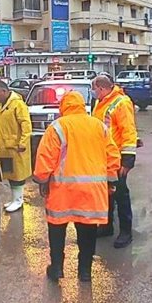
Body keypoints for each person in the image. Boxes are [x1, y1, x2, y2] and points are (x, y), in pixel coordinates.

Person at [33, 90, 119, 283]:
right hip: (92, 192)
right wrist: (111, 181)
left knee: (57, 229)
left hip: (62, 191)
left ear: (63, 106)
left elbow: (46, 157)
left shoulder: (58, 127)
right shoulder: (99, 126)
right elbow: (112, 155)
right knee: (87, 232)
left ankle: (57, 268)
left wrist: (42, 179)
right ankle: (85, 272)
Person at [90, 73, 138, 249]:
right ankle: (106, 226)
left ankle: (126, 232)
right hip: (103, 157)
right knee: (106, 193)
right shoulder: (101, 102)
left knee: (120, 194)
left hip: (116, 157)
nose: (93, 92)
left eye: (94, 89)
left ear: (101, 88)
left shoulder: (121, 102)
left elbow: (128, 131)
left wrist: (128, 159)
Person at [0, 78, 32, 213]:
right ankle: (15, 199)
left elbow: (26, 125)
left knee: (18, 176)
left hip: (16, 147)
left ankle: (18, 200)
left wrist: (23, 143)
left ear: (4, 91)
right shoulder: (0, 104)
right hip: (5, 146)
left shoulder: (18, 104)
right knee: (10, 174)